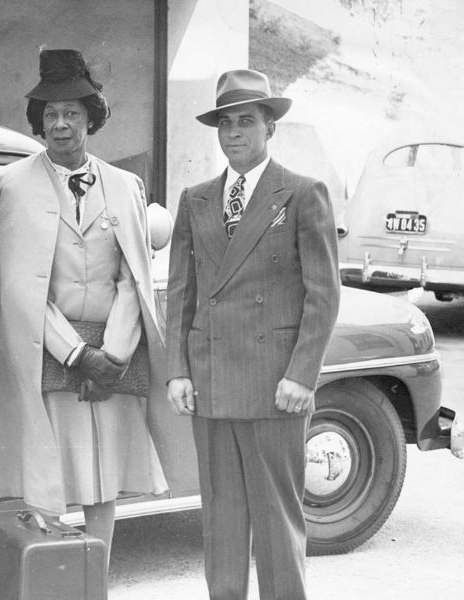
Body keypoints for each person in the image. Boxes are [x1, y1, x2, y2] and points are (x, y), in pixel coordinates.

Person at [0, 48, 189, 573]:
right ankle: (50, 583)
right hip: (47, 352)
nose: (61, 124)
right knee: (47, 477)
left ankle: (94, 582)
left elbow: (133, 276)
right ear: (38, 121)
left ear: (90, 118)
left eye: (72, 112)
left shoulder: (125, 186)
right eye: (50, 113)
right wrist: (77, 355)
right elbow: (17, 284)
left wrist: (112, 356)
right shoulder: (7, 186)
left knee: (103, 479)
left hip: (112, 356)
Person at [164, 69, 341, 600]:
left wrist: (302, 375)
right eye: (225, 123)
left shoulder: (302, 193)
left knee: (276, 523)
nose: (234, 132)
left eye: (246, 121)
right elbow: (182, 293)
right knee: (221, 521)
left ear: (270, 128)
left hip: (275, 386)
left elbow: (323, 294)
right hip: (212, 382)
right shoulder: (195, 199)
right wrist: (177, 371)